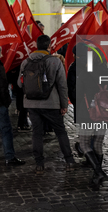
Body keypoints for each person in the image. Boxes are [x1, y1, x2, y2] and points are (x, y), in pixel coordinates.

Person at [18, 35, 76, 174]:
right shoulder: (55, 62)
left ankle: (39, 164)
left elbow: (20, 83)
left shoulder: (26, 62)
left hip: (32, 105)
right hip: (51, 104)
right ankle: (69, 161)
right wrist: (64, 105)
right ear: (49, 46)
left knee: (36, 133)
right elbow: (62, 86)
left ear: (37, 46)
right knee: (61, 132)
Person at [75, 43, 108, 185]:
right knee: (98, 143)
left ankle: (98, 172)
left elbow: (78, 94)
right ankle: (98, 173)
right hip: (104, 113)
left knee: (85, 144)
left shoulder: (85, 74)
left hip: (88, 113)